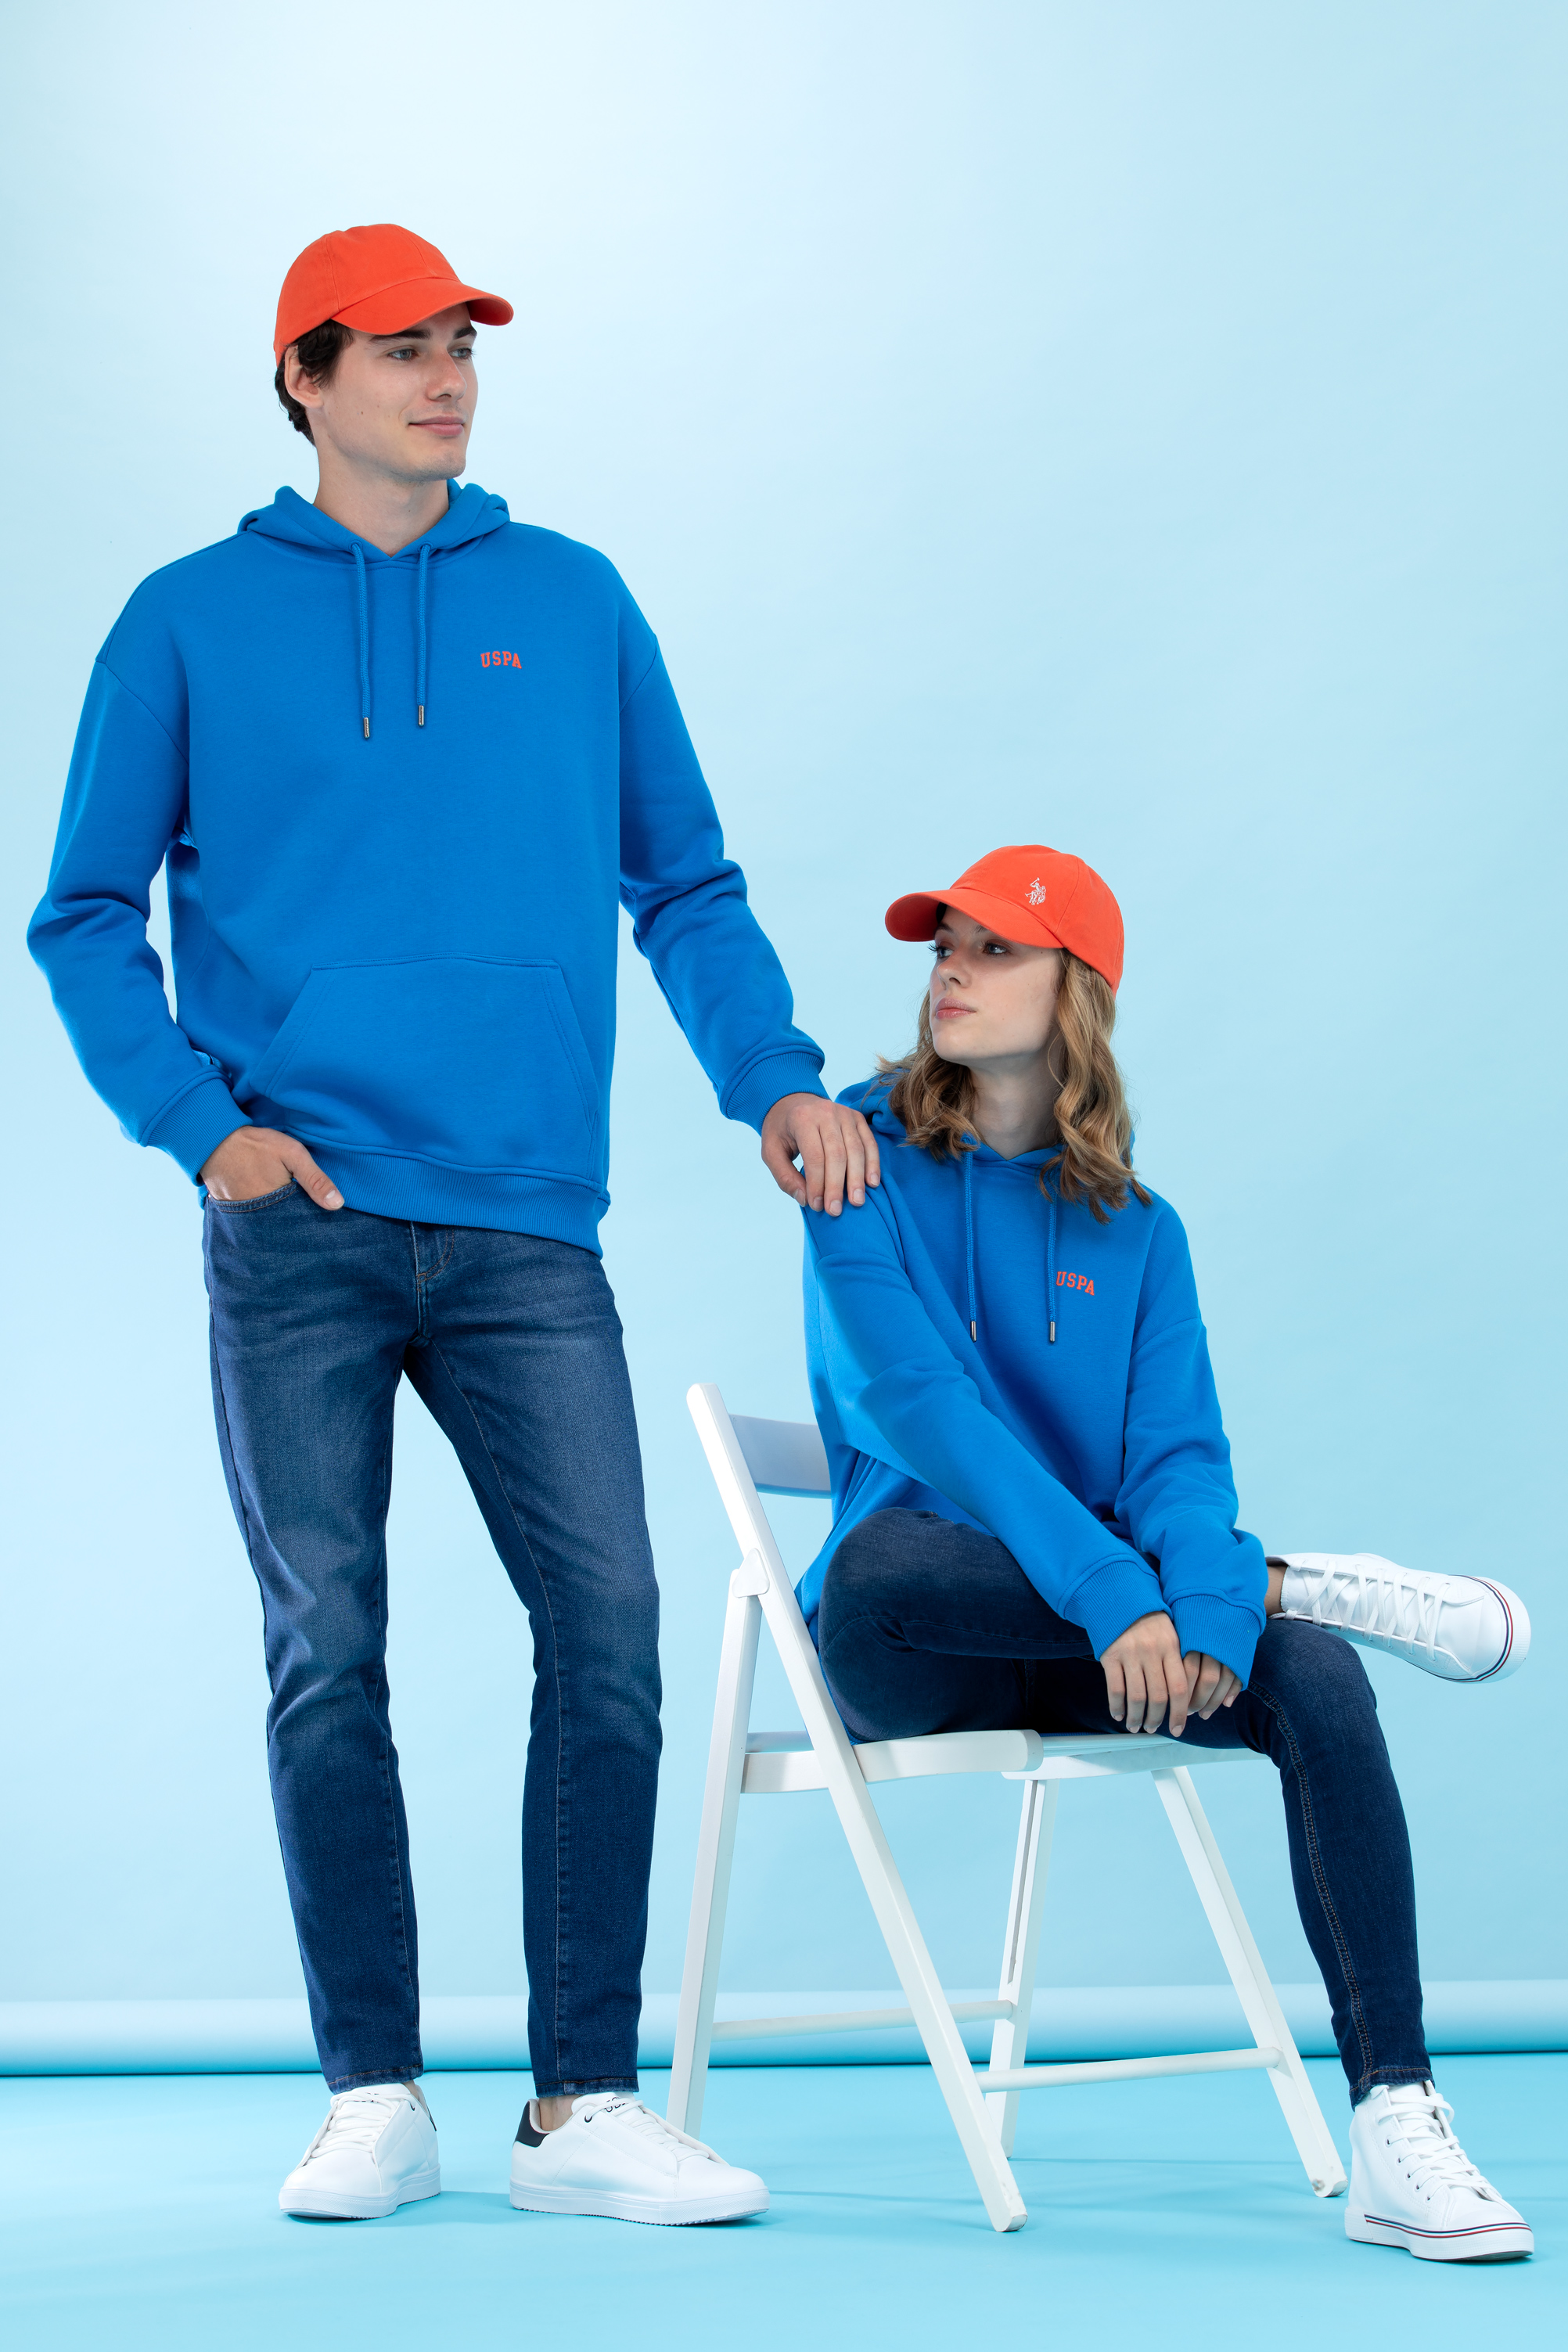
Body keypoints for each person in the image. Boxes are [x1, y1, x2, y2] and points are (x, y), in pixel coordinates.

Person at [28, 222, 881, 2228]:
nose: (447, 382)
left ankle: (580, 2107)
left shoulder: (572, 601)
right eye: (402, 351)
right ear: (304, 378)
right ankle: (375, 2095)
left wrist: (770, 1074)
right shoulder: (183, 621)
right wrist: (203, 1129)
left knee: (609, 1632)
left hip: (522, 1224)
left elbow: (686, 881)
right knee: (329, 1650)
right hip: (301, 1221)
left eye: (462, 350)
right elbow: (81, 914)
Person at [797, 842, 1533, 2263]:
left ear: (1074, 987)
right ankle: (1274, 1582)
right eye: (944, 944)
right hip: (921, 1638)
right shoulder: (857, 1151)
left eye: (994, 946)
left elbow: (1179, 1462)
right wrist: (1129, 1590)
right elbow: (917, 1400)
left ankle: (1397, 2118)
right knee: (882, 1567)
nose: (951, 969)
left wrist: (1167, 1596)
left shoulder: (1139, 1231)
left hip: (1100, 1643)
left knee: (1317, 1678)